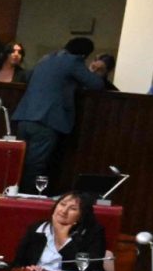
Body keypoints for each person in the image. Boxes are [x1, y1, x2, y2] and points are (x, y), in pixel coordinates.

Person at [12, 36, 103, 187]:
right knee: (36, 166)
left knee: (21, 163)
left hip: (25, 116)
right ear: (84, 55)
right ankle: (29, 197)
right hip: (46, 120)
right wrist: (94, 70)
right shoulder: (74, 61)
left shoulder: (46, 58)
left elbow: (28, 77)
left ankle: (16, 193)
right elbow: (96, 84)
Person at [10, 191, 108, 271]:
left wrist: (62, 239)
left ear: (82, 215)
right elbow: (18, 264)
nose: (64, 211)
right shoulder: (38, 228)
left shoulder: (93, 233)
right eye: (62, 204)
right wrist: (28, 269)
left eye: (73, 209)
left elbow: (90, 267)